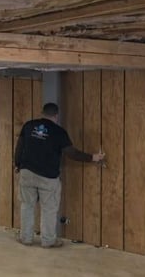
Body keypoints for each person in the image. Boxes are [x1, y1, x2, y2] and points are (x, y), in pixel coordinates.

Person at [14, 102, 104, 248]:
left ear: (42, 112)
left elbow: (19, 147)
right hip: (48, 177)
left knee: (27, 206)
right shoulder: (59, 132)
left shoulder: (29, 126)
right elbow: (71, 153)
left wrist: (17, 164)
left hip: (27, 172)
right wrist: (93, 157)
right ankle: (48, 241)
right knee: (49, 208)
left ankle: (26, 238)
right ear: (56, 115)